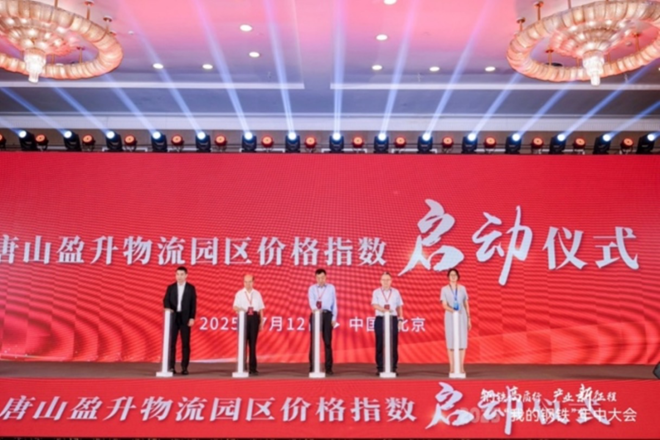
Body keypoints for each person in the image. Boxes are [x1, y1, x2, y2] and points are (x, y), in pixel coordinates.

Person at [163, 266, 197, 375]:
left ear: (186, 275)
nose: (179, 277)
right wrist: (168, 308)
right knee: (171, 343)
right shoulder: (171, 287)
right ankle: (171, 366)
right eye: (177, 274)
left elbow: (193, 304)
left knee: (185, 344)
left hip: (185, 318)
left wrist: (192, 317)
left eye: (182, 274)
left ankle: (184, 367)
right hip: (173, 318)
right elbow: (166, 300)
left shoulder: (191, 288)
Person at [371, 272, 404, 375]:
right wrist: (384, 310)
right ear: (380, 281)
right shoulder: (376, 292)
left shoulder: (396, 292)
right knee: (380, 343)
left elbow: (399, 306)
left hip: (392, 319)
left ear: (391, 281)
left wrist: (401, 319)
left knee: (393, 344)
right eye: (383, 280)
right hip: (380, 319)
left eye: (388, 280)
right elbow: (374, 305)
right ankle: (380, 368)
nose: (385, 282)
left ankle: (393, 367)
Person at [232, 274, 265, 375]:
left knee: (252, 344)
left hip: (254, 318)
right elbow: (234, 307)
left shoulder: (257, 294)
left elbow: (261, 309)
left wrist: (261, 322)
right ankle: (242, 367)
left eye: (250, 282)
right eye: (245, 282)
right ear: (243, 282)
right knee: (242, 344)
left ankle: (253, 368)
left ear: (253, 282)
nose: (247, 284)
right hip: (244, 317)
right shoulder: (239, 294)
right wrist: (241, 309)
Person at [440, 268, 471, 374]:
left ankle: (461, 366)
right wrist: (453, 310)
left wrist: (469, 318)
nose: (453, 277)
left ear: (458, 277)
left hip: (462, 316)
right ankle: (452, 367)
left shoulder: (462, 288)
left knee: (462, 341)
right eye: (451, 275)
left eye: (455, 275)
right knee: (451, 342)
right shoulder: (444, 289)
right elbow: (444, 305)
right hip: (450, 316)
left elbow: (466, 304)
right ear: (448, 277)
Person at [308, 268, 337, 375]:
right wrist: (315, 309)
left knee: (328, 342)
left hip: (327, 315)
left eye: (323, 277)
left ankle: (328, 368)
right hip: (316, 314)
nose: (321, 280)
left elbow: (334, 303)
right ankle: (313, 367)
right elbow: (311, 301)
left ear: (326, 277)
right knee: (314, 342)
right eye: (318, 278)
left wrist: (334, 318)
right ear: (315, 278)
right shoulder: (312, 288)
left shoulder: (331, 288)